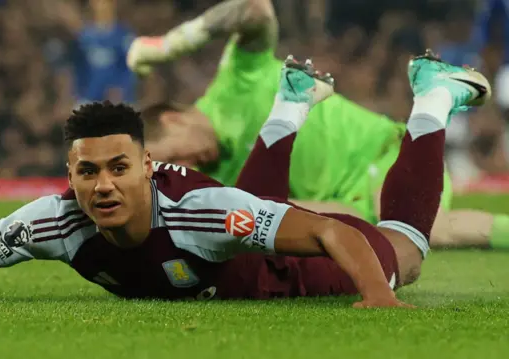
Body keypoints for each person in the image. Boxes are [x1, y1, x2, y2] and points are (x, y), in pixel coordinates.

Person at [0, 51, 490, 307]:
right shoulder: (54, 221)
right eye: (88, 172)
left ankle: (432, 98)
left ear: (145, 166)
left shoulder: (196, 209)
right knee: (250, 212)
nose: (103, 186)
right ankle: (293, 100)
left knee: (405, 253)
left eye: (118, 168)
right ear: (70, 175)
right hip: (243, 242)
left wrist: (379, 296)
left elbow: (331, 236)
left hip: (295, 265)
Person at [127, 0, 509, 250]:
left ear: (172, 118)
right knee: (394, 242)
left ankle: (435, 98)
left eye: (177, 155)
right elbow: (326, 217)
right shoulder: (221, 184)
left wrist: (170, 45)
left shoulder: (233, 82)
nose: (190, 166)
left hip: (390, 152)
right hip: (361, 205)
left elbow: (253, 9)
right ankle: (434, 98)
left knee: (429, 231)